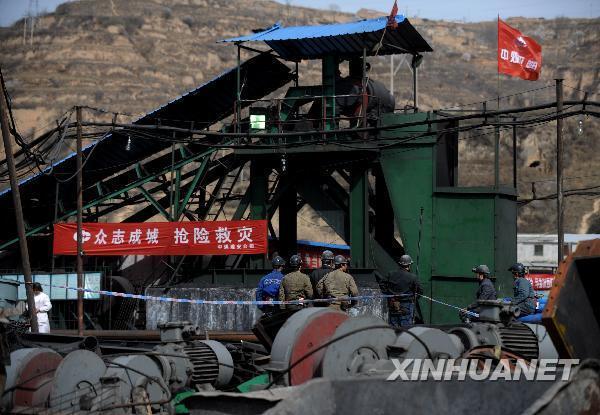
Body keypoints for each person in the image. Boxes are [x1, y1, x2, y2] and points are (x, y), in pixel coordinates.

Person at [376, 254, 423, 327]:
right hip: (406, 305)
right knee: (405, 329)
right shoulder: (412, 277)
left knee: (393, 327)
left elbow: (382, 283)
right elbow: (420, 291)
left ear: (400, 264)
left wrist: (388, 294)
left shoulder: (391, 274)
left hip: (393, 303)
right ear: (409, 265)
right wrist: (414, 298)